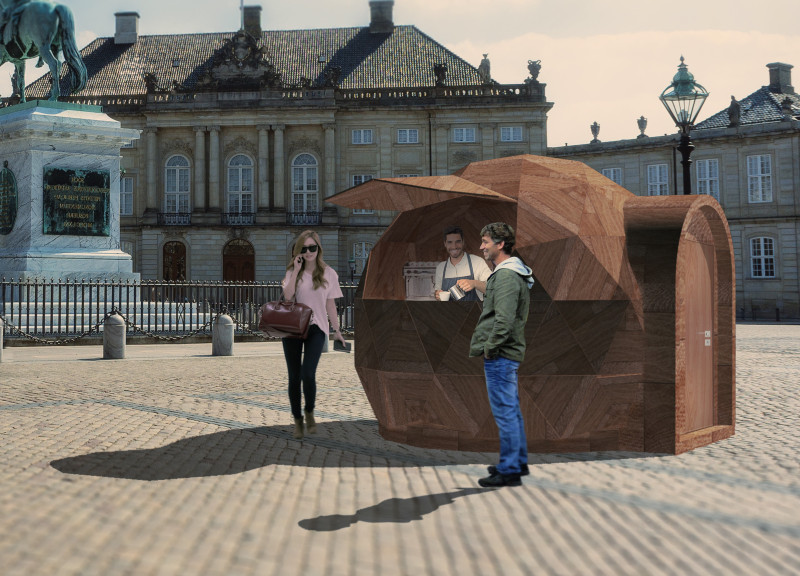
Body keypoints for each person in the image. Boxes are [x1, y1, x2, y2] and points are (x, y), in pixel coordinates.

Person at [469, 222, 534, 487]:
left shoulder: (506, 276)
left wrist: (490, 349)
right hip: (507, 354)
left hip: (501, 355)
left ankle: (509, 470)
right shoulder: (509, 273)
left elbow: (504, 321)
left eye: (486, 242)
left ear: (501, 244)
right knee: (512, 411)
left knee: (505, 413)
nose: (481, 247)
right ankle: (517, 462)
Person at [282, 230, 347, 440]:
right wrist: (296, 269)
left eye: (312, 247)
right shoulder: (292, 271)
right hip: (293, 327)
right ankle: (297, 420)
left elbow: (330, 305)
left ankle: (309, 411)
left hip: (317, 328)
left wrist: (337, 330)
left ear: (318, 249)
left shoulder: (329, 273)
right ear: (298, 251)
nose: (309, 252)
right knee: (294, 377)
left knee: (308, 373)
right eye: (304, 248)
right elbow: (288, 296)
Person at [433, 225, 491, 302]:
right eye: (450, 242)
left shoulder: (477, 262)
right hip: (448, 310)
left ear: (463, 242)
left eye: (458, 241)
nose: (454, 246)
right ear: (445, 244)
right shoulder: (441, 267)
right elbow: (437, 292)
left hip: (474, 309)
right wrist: (437, 295)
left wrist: (475, 283)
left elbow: (493, 289)